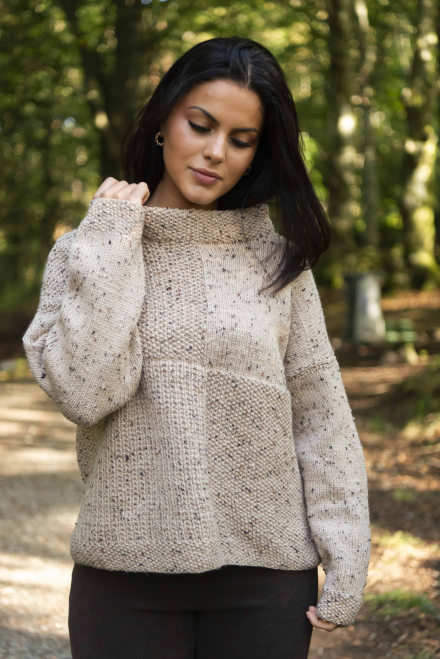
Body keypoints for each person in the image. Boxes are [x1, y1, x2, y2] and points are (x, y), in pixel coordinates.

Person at [23, 36, 371, 659]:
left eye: (241, 139)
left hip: (266, 579)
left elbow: (321, 416)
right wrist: (112, 240)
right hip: (124, 576)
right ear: (163, 121)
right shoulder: (89, 249)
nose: (216, 152)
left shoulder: (279, 263)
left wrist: (345, 553)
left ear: (258, 153)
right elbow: (85, 392)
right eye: (201, 125)